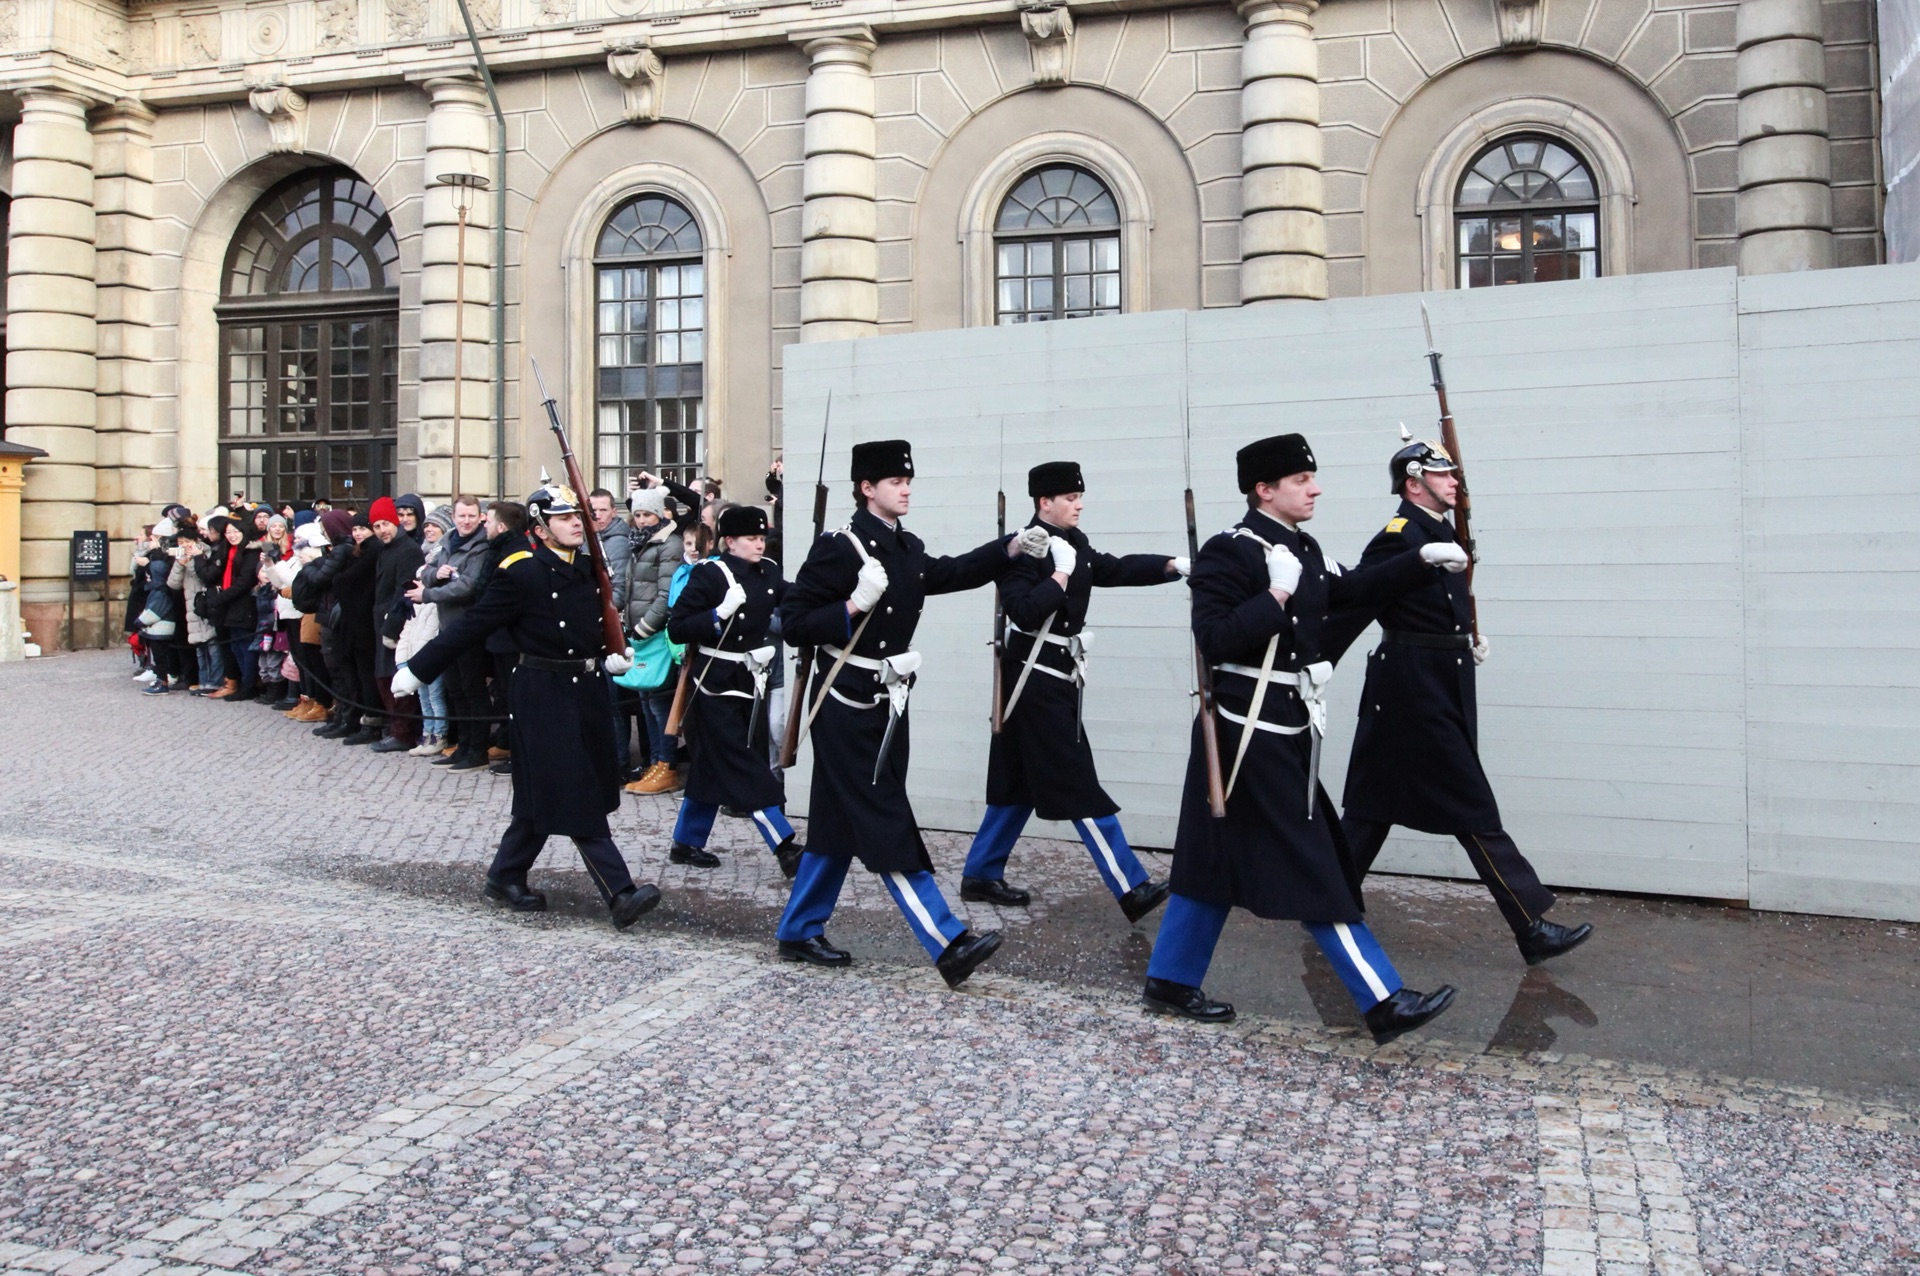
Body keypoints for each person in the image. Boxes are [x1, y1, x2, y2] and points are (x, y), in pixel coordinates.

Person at [1145, 433, 1462, 1044]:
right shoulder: (1228, 552)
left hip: (1286, 728)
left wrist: (1418, 561)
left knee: (1213, 859)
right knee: (1317, 861)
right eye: (1300, 481)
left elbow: (1349, 592)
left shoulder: (1304, 546)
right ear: (1265, 490)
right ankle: (1383, 998)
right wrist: (1277, 593)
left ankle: (1169, 979)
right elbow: (1213, 639)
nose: (1315, 489)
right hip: (1244, 733)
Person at [774, 439, 1045, 988]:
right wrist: (852, 605)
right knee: (883, 814)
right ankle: (946, 940)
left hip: (887, 702)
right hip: (845, 703)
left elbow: (946, 573)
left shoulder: (903, 545)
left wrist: (1010, 547)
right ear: (866, 488)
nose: (905, 489)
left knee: (836, 824)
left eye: (908, 481)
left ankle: (799, 929)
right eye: (895, 482)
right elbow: (792, 622)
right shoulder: (840, 548)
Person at [1336, 438, 1593, 965]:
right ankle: (1530, 924)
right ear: (1413, 483)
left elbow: (1438, 605)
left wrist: (1464, 638)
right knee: (1471, 804)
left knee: (1370, 807)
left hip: (1437, 676)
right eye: (1444, 474)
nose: (1455, 482)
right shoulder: (1402, 536)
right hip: (1410, 688)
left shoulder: (1441, 531)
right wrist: (1320, 657)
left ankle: (1327, 904)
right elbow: (1361, 594)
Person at [395, 478, 663, 931]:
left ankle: (505, 875)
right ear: (540, 528)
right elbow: (474, 623)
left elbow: (593, 624)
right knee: (574, 791)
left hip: (586, 689)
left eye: (577, 516)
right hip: (543, 692)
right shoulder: (522, 570)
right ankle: (620, 893)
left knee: (549, 793)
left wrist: (612, 655)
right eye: (564, 518)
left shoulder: (586, 565)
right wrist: (420, 668)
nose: (577, 524)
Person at [960, 460, 1187, 922]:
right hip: (1032, 676)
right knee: (1077, 781)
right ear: (1045, 502)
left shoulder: (1074, 543)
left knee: (1018, 783)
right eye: (1069, 497)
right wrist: (1057, 577)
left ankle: (981, 873)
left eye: (1080, 496)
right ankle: (1130, 885)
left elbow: (1112, 568)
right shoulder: (1028, 547)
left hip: (1056, 673)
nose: (1079, 504)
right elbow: (1022, 612)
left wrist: (1169, 565)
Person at [663, 504, 801, 875]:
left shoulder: (768, 571)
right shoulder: (710, 574)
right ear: (729, 541)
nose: (760, 545)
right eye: (751, 539)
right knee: (745, 763)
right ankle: (786, 845)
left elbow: (794, 599)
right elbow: (678, 628)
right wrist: (717, 614)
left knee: (711, 763)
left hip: (750, 677)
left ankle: (687, 842)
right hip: (713, 679)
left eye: (761, 538)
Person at [407, 496, 496, 771]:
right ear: (454, 517)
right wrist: (438, 575)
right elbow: (426, 571)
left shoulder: (482, 546)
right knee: (455, 689)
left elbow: (467, 586)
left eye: (471, 516)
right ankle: (463, 745)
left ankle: (477, 749)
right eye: (461, 516)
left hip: (468, 628)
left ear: (480, 516)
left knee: (473, 689)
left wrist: (429, 594)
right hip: (446, 627)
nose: (466, 521)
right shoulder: (447, 540)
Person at [623, 479, 697, 795]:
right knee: (645, 698)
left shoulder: (669, 543)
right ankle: (655, 761)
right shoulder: (639, 541)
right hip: (638, 633)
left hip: (654, 634)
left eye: (647, 515)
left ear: (660, 515)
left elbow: (664, 594)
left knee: (659, 705)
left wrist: (643, 628)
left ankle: (666, 765)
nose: (642, 520)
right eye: (638, 515)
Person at [369, 496, 425, 753]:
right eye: (377, 526)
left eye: (386, 524)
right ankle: (396, 729)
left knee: (396, 680)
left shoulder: (407, 550)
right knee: (384, 678)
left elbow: (403, 592)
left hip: (398, 623)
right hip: (384, 620)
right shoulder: (388, 548)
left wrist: (392, 627)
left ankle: (403, 733)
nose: (382, 530)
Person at [195, 515, 264, 701]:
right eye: (229, 532)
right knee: (235, 646)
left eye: (235, 531)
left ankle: (249, 685)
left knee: (245, 646)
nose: (232, 535)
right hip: (230, 604)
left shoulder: (250, 552)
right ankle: (243, 682)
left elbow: (244, 583)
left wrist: (219, 599)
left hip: (244, 603)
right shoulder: (229, 551)